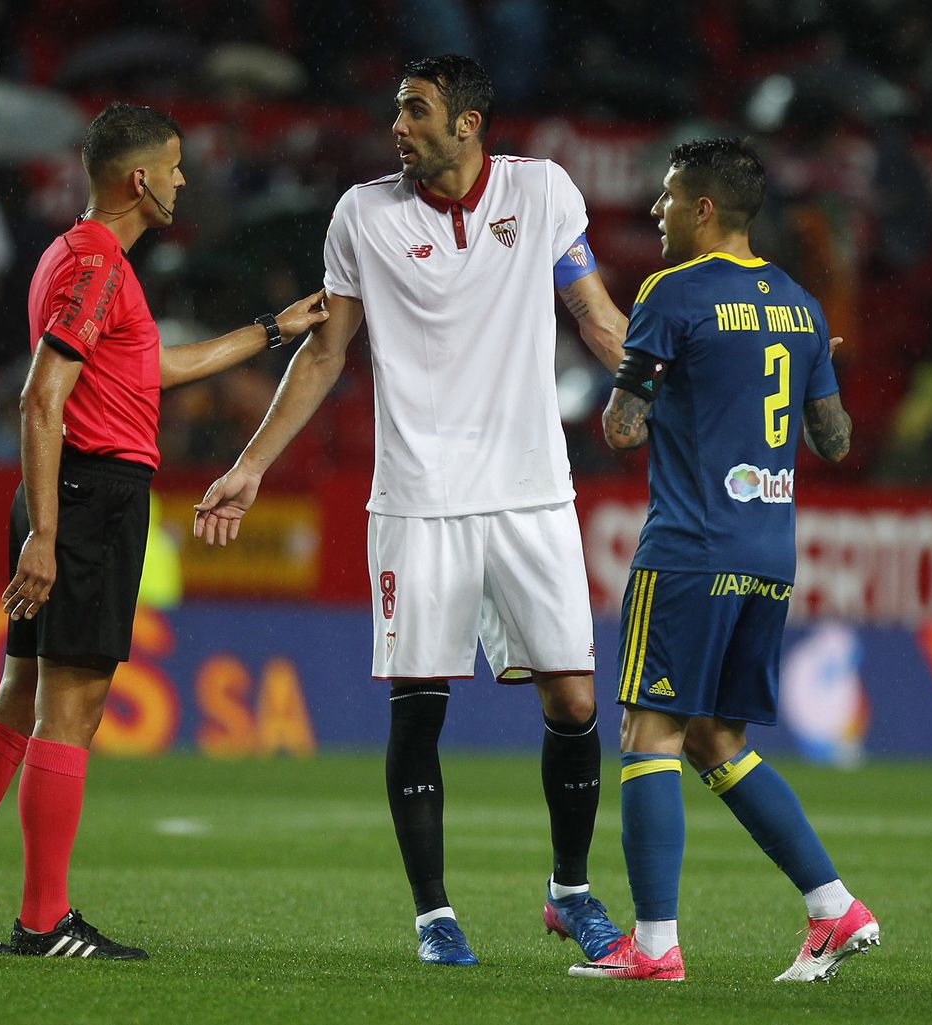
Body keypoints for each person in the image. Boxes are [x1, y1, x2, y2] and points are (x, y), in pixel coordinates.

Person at [193, 54, 630, 967]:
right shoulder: (363, 214)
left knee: (575, 698)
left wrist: (685, 375)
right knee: (418, 705)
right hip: (419, 496)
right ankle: (435, 915)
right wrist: (251, 464)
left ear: (468, 124)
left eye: (417, 111)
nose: (399, 126)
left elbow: (594, 315)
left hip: (532, 488)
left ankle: (570, 891)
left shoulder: (543, 192)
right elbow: (324, 354)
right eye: (397, 109)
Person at [0, 102, 329, 961]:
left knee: (20, 698)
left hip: (75, 496)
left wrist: (269, 331)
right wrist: (48, 532)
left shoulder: (80, 256)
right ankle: (43, 920)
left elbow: (149, 368)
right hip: (87, 500)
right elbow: (41, 397)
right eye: (172, 166)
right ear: (140, 179)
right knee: (73, 708)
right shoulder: (96, 266)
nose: (180, 180)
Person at [568, 138, 877, 982]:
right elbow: (836, 440)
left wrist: (653, 380)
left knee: (649, 731)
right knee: (717, 737)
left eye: (669, 197)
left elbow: (622, 429)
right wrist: (805, 365)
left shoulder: (672, 292)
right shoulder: (801, 305)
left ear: (705, 209)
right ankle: (833, 907)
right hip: (770, 550)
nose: (659, 211)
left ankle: (655, 946)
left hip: (692, 545)